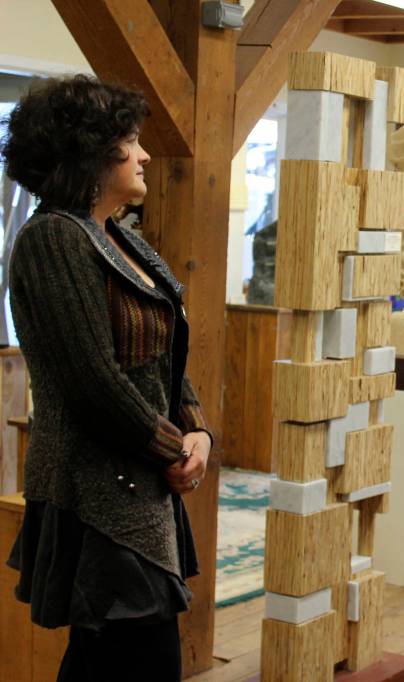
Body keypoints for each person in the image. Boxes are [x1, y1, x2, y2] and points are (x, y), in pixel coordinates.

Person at [2, 75, 212, 681]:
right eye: (129, 140)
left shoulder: (117, 236)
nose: (144, 154)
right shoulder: (53, 238)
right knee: (136, 658)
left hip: (139, 482)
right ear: (89, 152)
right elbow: (92, 382)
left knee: (114, 659)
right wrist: (175, 447)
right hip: (98, 491)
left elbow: (163, 356)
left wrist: (198, 432)